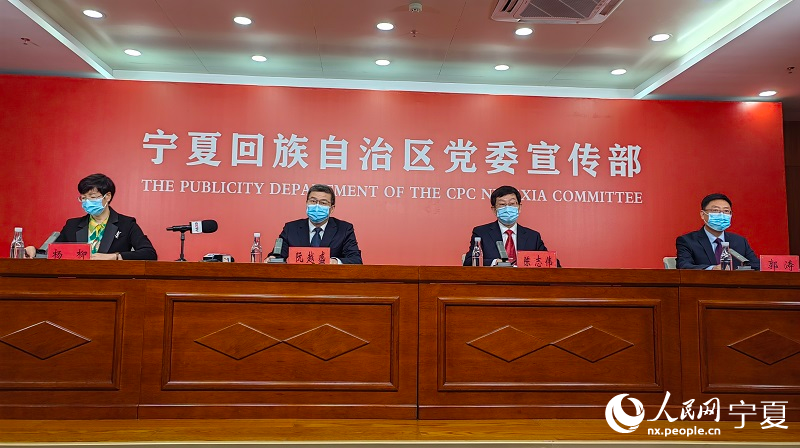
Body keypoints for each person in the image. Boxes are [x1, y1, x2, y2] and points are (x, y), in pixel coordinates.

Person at [24, 173, 157, 260]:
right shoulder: (72, 225)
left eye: (92, 197)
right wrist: (35, 252)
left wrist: (115, 257)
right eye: (83, 198)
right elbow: (55, 253)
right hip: (77, 284)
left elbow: (149, 253)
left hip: (113, 286)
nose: (87, 202)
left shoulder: (126, 224)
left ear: (107, 196)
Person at [463, 185, 558, 266]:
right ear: (494, 210)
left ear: (519, 208)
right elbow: (469, 261)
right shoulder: (482, 233)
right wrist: (495, 262)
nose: (507, 208)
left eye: (512, 204)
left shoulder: (532, 237)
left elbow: (552, 263)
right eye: (502, 204)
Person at [268, 184, 362, 264]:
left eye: (323, 203)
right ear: (307, 203)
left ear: (332, 208)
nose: (317, 206)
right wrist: (272, 258)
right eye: (313, 201)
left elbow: (356, 260)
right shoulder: (291, 228)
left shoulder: (344, 229)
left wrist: (335, 262)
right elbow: (277, 256)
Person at [676, 193, 759, 270]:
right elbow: (683, 266)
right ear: (703, 214)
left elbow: (756, 266)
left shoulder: (740, 241)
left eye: (726, 211)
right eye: (715, 210)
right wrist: (712, 269)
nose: (721, 215)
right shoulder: (688, 241)